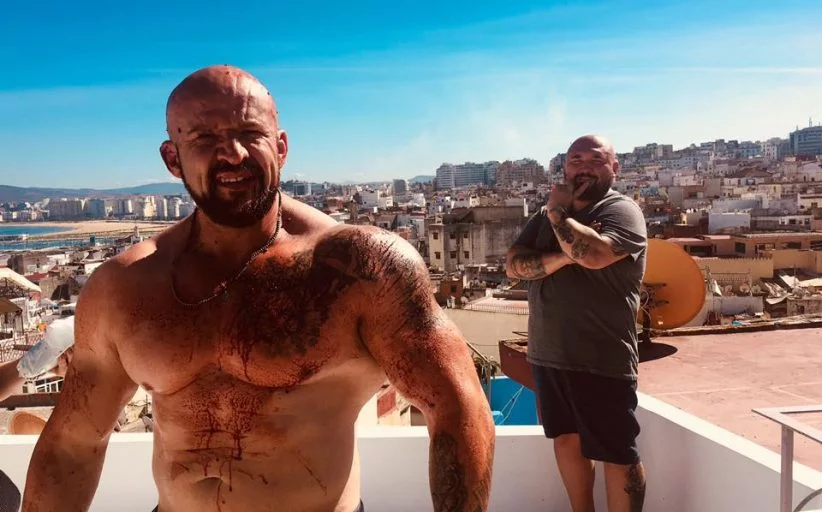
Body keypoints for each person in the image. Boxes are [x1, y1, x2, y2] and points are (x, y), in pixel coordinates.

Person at [23, 65, 495, 512]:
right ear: (172, 158)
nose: (233, 153)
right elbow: (73, 443)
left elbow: (457, 407)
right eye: (204, 138)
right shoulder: (124, 287)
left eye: (250, 133)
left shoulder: (358, 268)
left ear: (281, 147)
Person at [505, 135, 648, 512]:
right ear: (565, 167)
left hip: (601, 356)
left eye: (595, 160)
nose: (583, 167)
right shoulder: (543, 217)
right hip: (549, 353)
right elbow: (514, 265)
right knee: (566, 440)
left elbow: (595, 255)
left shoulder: (621, 211)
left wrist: (558, 215)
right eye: (575, 160)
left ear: (614, 168)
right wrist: (565, 256)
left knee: (618, 453)